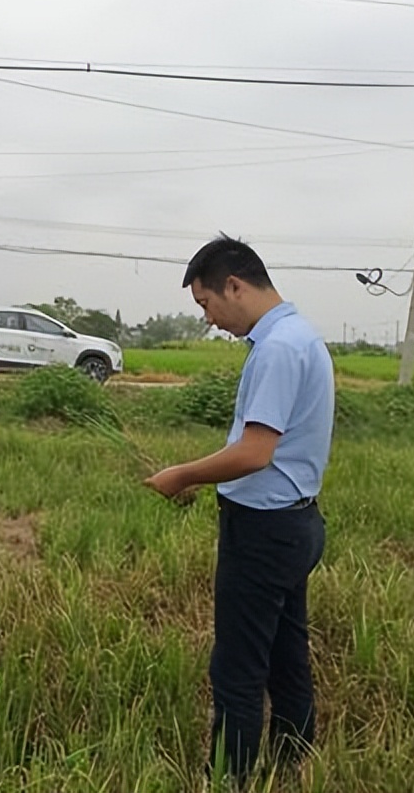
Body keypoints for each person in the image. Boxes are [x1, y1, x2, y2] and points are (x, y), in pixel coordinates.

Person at [144, 235, 332, 786]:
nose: (209, 319)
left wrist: (182, 474)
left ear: (234, 285)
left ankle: (229, 779)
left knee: (238, 668)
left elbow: (254, 453)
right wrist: (212, 478)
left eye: (206, 304)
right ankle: (294, 764)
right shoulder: (301, 336)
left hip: (265, 532)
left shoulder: (276, 349)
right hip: (296, 522)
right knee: (285, 652)